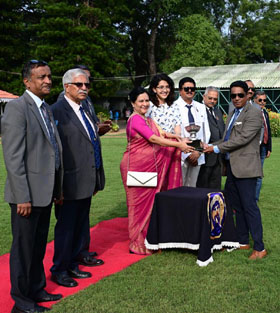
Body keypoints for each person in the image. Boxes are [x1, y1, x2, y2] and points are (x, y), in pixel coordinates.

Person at [1, 60, 63, 313]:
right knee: (23, 250)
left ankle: (37, 289)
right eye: (41, 77)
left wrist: (57, 190)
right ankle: (22, 301)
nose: (48, 81)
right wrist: (22, 196)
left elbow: (51, 151)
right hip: (26, 195)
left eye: (49, 76)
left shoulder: (44, 108)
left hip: (45, 192)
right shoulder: (17, 108)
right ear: (27, 81)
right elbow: (13, 157)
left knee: (37, 247)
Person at [120, 87, 194, 255]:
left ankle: (148, 239)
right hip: (136, 168)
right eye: (141, 101)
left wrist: (177, 137)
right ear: (133, 103)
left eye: (147, 101)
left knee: (150, 204)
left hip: (149, 167)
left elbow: (161, 132)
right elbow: (153, 138)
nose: (145, 104)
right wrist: (179, 145)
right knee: (138, 207)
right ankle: (137, 243)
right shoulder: (135, 119)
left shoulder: (147, 119)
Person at [50, 69, 105, 288]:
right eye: (79, 85)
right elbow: (55, 151)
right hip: (68, 182)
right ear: (66, 87)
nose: (84, 88)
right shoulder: (56, 111)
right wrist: (58, 186)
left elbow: (91, 141)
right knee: (66, 228)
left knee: (80, 224)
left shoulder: (86, 108)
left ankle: (73, 263)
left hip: (87, 178)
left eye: (87, 85)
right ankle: (60, 269)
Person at [204, 80, 267, 260]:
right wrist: (209, 145)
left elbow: (243, 139)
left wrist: (215, 149)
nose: (237, 98)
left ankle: (260, 247)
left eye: (240, 95)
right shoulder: (233, 112)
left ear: (248, 94)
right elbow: (226, 138)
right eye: (233, 95)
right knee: (236, 207)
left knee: (250, 207)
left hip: (246, 169)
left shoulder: (255, 112)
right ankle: (242, 241)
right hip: (232, 167)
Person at [175, 77, 210, 187]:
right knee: (180, 186)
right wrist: (187, 154)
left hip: (198, 154)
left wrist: (198, 152)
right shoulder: (173, 107)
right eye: (186, 88)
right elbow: (173, 133)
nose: (190, 91)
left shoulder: (200, 107)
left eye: (192, 88)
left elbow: (206, 131)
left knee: (192, 186)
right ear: (180, 90)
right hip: (181, 154)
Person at [196, 87, 225, 189]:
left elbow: (222, 130)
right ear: (204, 96)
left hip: (218, 155)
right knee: (203, 185)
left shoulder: (217, 111)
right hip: (205, 154)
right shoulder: (198, 110)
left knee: (216, 186)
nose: (212, 101)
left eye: (215, 99)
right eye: (210, 98)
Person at [254, 91, 272, 201]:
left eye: (264, 100)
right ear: (255, 100)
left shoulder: (265, 113)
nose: (262, 102)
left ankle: (255, 199)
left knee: (259, 175)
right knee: (253, 174)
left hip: (263, 147)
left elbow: (267, 130)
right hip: (254, 148)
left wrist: (269, 147)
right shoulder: (252, 112)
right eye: (260, 100)